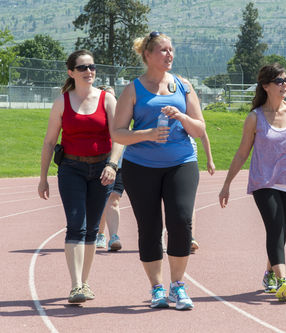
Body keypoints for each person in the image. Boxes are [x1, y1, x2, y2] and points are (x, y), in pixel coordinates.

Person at [111, 31, 205, 310]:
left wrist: (182, 116)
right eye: (162, 50)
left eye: (171, 50)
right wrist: (148, 133)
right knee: (150, 228)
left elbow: (199, 129)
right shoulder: (133, 89)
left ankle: (178, 285)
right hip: (141, 167)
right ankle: (157, 288)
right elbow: (117, 133)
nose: (169, 55)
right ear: (148, 55)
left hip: (181, 162)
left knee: (181, 221)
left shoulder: (183, 86)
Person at [219, 63, 286, 302]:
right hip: (263, 181)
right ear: (266, 86)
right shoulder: (254, 118)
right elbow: (242, 153)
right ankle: (283, 281)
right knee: (275, 227)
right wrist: (227, 184)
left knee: (281, 233)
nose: (285, 85)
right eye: (279, 81)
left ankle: (269, 273)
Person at [38, 50, 123, 304]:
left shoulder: (107, 100)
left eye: (92, 67)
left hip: (102, 171)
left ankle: (84, 282)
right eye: (83, 67)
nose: (89, 71)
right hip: (71, 169)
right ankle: (75, 285)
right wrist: (43, 178)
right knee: (76, 225)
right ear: (71, 72)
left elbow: (119, 136)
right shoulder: (62, 103)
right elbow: (50, 141)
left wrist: (113, 164)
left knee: (93, 230)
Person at [95, 85, 124, 251]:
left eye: (114, 97)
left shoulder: (122, 116)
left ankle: (114, 236)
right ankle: (100, 233)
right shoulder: (97, 118)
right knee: (101, 201)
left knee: (114, 199)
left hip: (119, 165)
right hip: (101, 164)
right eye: (108, 96)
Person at [189, 131, 215, 253]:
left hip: (187, 160)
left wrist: (210, 160)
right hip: (160, 160)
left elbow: (203, 133)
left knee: (189, 202)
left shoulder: (191, 112)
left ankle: (190, 237)